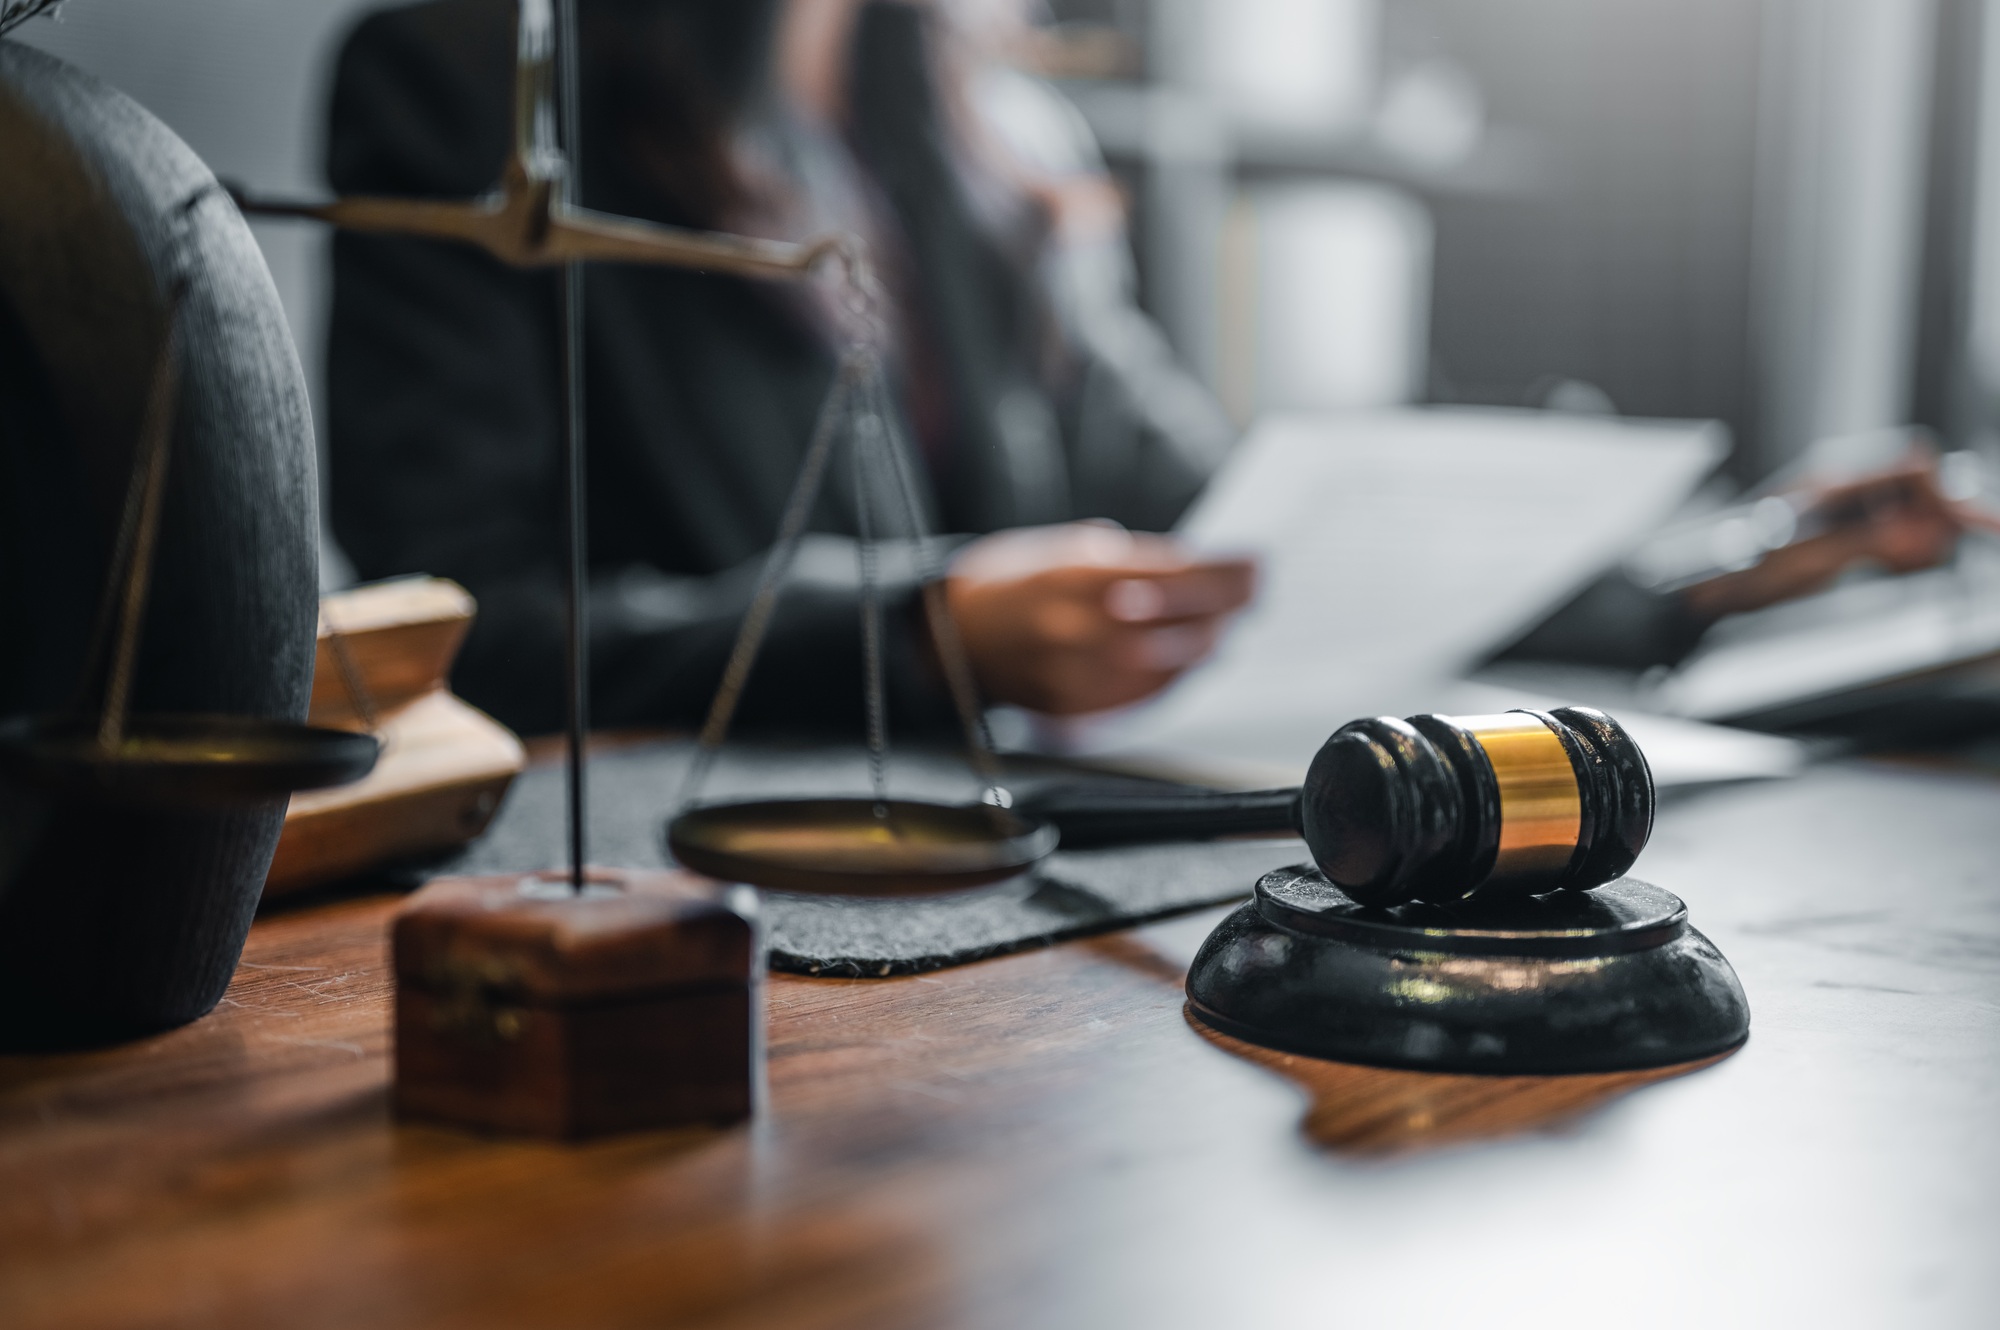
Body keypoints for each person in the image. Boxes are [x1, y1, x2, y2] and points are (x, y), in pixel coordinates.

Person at [327, 0, 1252, 736]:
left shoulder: (998, 129)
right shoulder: (480, 92)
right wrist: (918, 635)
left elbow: (1158, 466)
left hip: (1011, 862)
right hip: (710, 869)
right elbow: (454, 628)